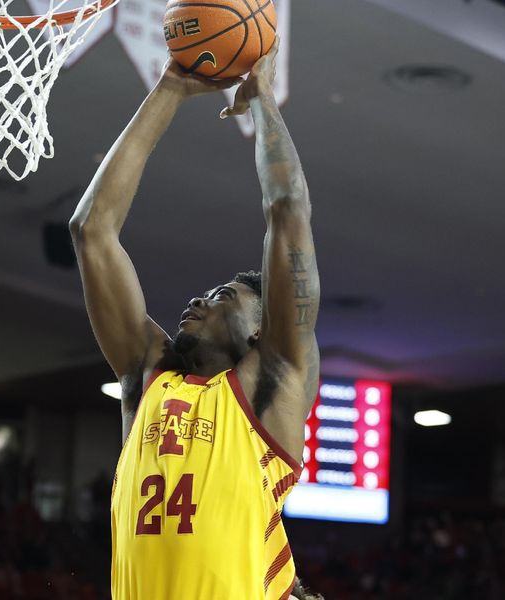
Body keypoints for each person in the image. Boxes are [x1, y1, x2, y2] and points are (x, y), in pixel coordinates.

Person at [70, 37, 319, 600]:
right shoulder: (148, 374)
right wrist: (170, 89)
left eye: (226, 296)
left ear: (262, 329)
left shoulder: (270, 385)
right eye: (207, 291)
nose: (201, 299)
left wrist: (263, 103)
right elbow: (92, 231)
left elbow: (288, 211)